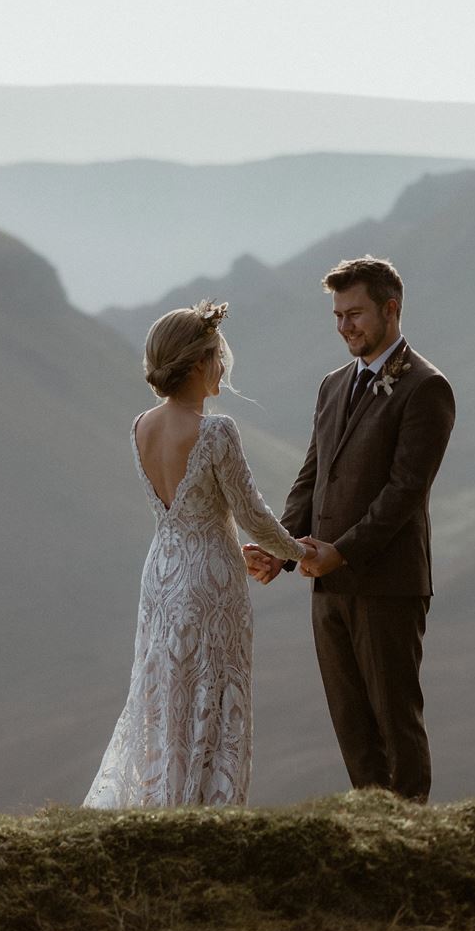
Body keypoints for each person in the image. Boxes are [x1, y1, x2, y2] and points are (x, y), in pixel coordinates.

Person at [84, 302, 311, 807]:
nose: (223, 367)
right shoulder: (215, 431)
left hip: (162, 572)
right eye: (216, 356)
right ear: (197, 363)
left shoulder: (140, 425)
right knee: (212, 686)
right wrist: (298, 551)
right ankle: (203, 801)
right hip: (209, 575)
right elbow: (251, 515)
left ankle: (157, 795)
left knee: (165, 688)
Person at [246, 256, 455, 801]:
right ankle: (372, 828)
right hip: (328, 585)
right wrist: (281, 550)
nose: (345, 327)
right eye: (338, 316)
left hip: (388, 584)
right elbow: (312, 478)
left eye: (356, 313)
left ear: (391, 309)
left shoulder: (426, 388)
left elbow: (405, 494)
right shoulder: (332, 385)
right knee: (351, 725)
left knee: (395, 721)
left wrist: (341, 551)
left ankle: (410, 833)